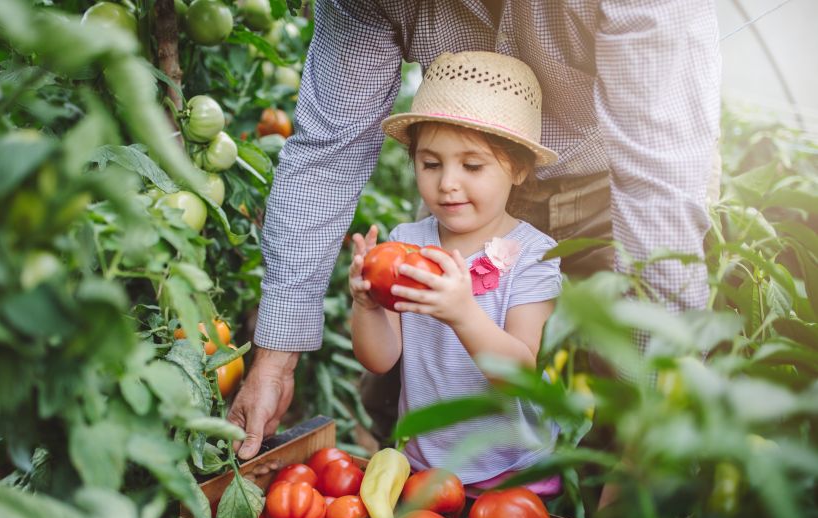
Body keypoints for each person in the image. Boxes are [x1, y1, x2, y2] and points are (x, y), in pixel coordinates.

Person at [227, 0, 721, 459]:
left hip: (607, 194)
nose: (445, 183)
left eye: (462, 165)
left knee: (618, 400)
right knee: (391, 396)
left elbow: (659, 189)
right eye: (429, 163)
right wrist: (277, 357)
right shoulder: (422, 232)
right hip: (477, 200)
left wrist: (650, 441)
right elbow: (327, 156)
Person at [348, 51, 563, 490]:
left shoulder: (533, 255)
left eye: (472, 165)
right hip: (425, 465)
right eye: (431, 164)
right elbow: (379, 358)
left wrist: (463, 312)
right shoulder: (406, 243)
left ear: (518, 168)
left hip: (512, 472)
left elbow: (520, 374)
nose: (447, 182)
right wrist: (367, 305)